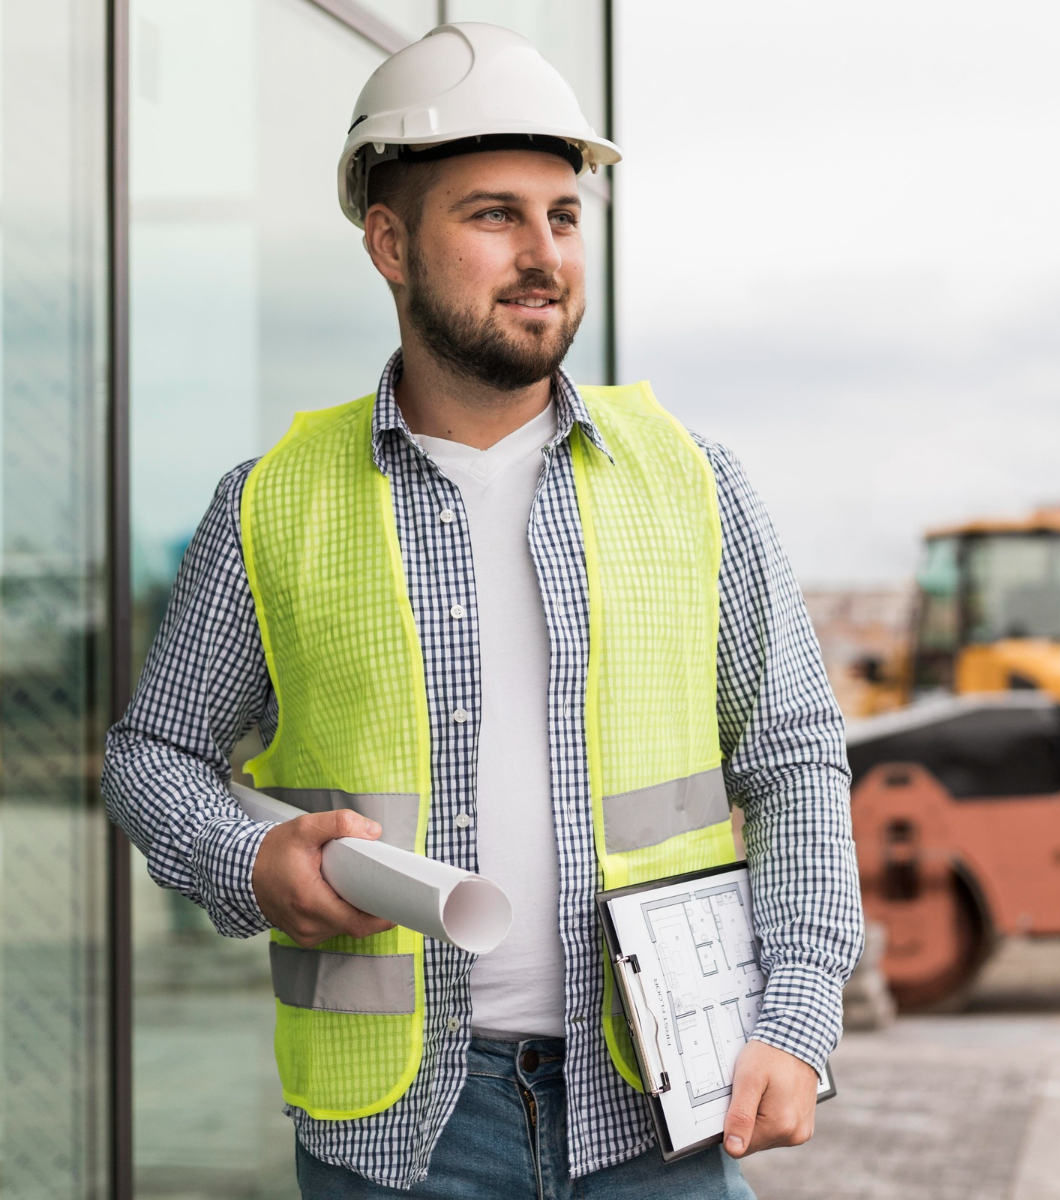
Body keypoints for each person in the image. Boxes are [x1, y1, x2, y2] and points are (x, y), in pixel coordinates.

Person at [102, 23, 861, 1198]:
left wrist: (799, 1015)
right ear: (390, 243)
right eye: (495, 215)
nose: (545, 253)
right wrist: (250, 861)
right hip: (405, 1135)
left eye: (563, 216)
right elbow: (152, 758)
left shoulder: (696, 484)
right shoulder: (270, 508)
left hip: (664, 1113)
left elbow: (797, 759)